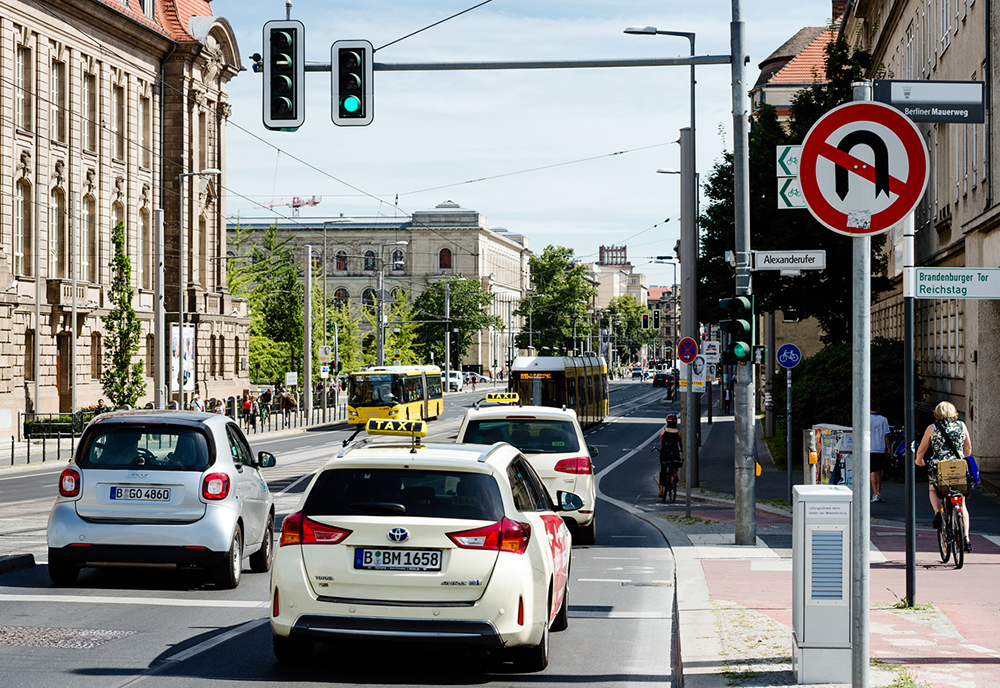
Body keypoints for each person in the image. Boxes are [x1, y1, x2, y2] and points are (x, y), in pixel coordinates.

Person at [915, 401, 972, 553]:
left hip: (939, 468)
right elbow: (968, 448)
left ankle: (937, 513)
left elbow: (921, 450)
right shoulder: (962, 425)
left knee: (933, 490)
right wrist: (963, 459)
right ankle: (966, 539)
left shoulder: (932, 428)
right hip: (958, 467)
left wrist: (919, 461)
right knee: (962, 504)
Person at [657, 414, 683, 501]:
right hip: (675, 454)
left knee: (663, 471)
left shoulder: (663, 431)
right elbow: (681, 444)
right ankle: (675, 473)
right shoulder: (678, 432)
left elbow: (661, 442)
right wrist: (681, 450)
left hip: (665, 454)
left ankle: (661, 490)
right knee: (675, 464)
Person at [869, 404, 890, 503]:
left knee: (872, 471)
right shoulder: (883, 419)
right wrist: (888, 448)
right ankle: (878, 492)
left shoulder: (866, 419)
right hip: (880, 447)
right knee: (879, 471)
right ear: (878, 408)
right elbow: (886, 435)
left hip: (869, 447)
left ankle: (875, 493)